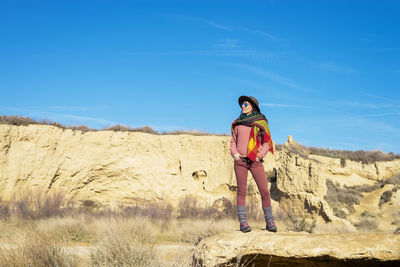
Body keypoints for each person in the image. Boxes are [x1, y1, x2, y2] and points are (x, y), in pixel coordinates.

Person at [230, 95, 277, 233]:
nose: (242, 106)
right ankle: (243, 223)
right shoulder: (238, 123)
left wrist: (259, 155)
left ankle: (270, 222)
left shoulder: (261, 122)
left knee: (265, 192)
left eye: (245, 104)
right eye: (242, 105)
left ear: (252, 106)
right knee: (241, 192)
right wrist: (235, 154)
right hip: (240, 162)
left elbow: (267, 142)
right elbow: (233, 141)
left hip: (255, 162)